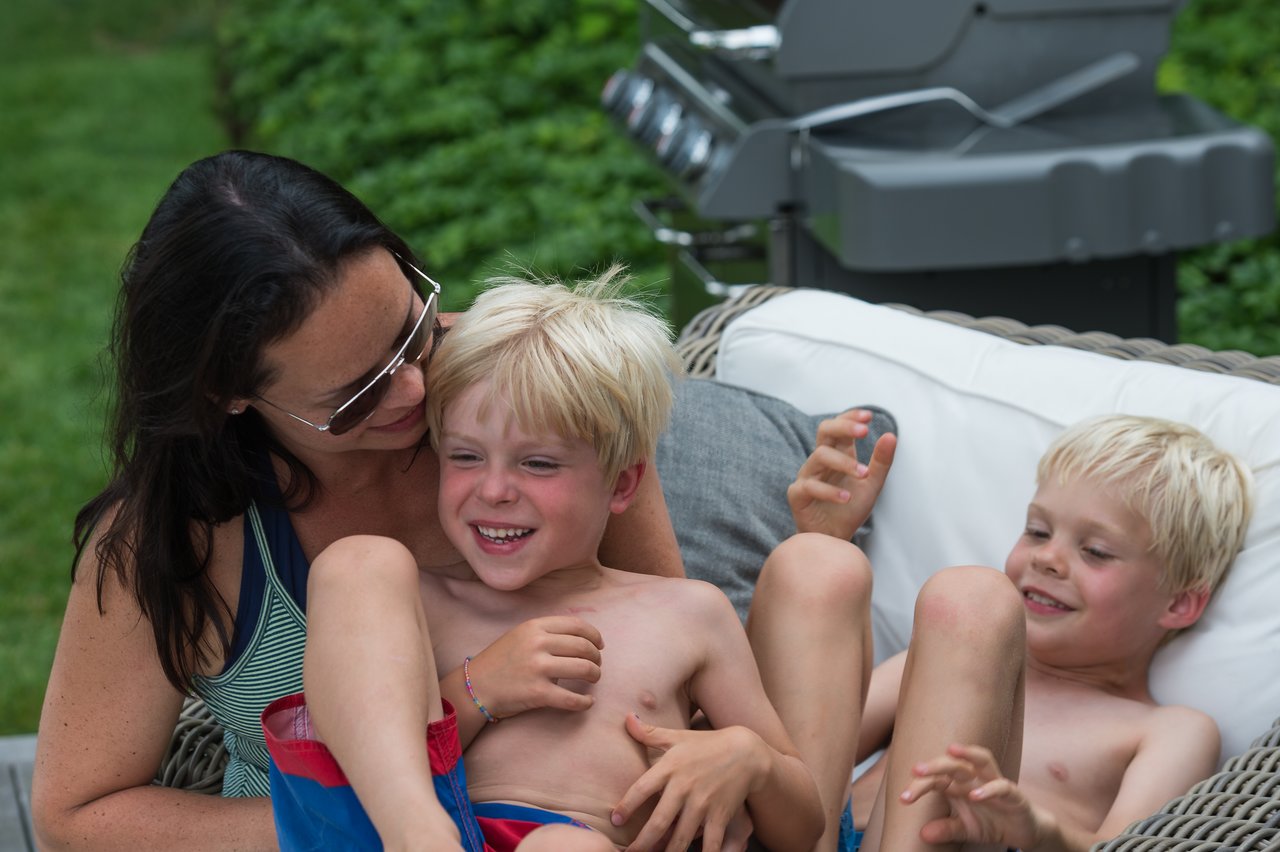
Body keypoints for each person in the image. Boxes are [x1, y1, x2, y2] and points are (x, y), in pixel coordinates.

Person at [30, 150, 691, 851]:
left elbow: (670, 650)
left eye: (413, 330)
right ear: (228, 395)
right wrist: (344, 833)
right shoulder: (183, 534)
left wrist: (727, 753)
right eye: (357, 393)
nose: (414, 388)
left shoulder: (527, 389)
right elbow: (78, 813)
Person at [282, 270, 827, 851]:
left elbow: (801, 831)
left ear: (623, 484)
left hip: (588, 841)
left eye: (538, 463)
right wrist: (475, 691)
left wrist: (750, 759)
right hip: (411, 830)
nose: (494, 490)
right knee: (358, 561)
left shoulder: (688, 613)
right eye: (465, 456)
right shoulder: (419, 604)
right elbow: (358, 756)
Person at [842, 414, 1254, 851]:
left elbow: (1126, 847)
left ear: (1178, 603)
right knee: (963, 597)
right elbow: (814, 748)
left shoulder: (1168, 731)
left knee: (972, 598)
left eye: (1096, 551)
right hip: (831, 834)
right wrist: (830, 539)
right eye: (1037, 532)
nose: (1047, 558)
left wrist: (1040, 832)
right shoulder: (933, 663)